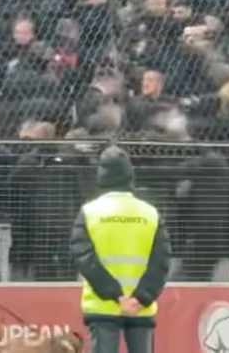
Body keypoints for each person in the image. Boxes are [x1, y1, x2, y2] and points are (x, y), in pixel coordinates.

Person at [69, 147, 171, 353]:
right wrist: (140, 297)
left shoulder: (90, 212)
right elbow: (160, 262)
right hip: (140, 308)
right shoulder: (150, 213)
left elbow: (85, 259)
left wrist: (116, 295)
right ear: (129, 175)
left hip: (103, 306)